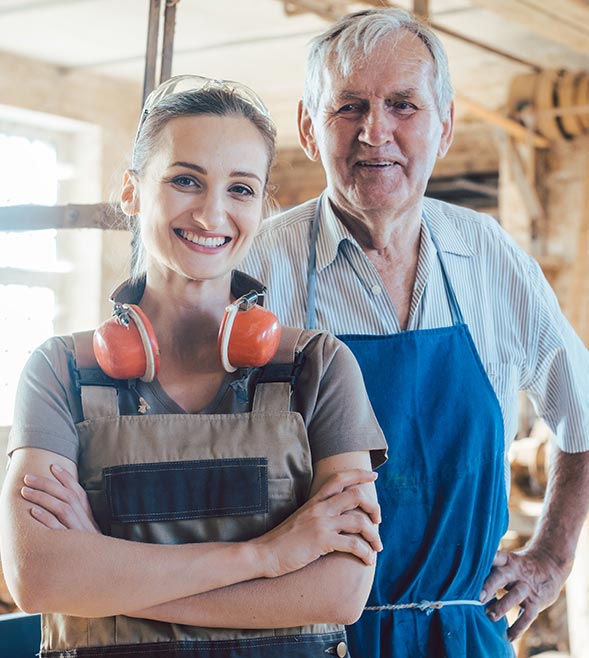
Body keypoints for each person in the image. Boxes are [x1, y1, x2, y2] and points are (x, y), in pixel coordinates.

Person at [241, 8, 589, 658]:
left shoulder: (487, 256)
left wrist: (551, 557)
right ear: (308, 129)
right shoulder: (255, 268)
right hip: (300, 639)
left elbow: (585, 412)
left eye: (403, 105)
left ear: (445, 125)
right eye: (349, 107)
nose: (376, 131)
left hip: (460, 636)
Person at [0, 75, 388, 658]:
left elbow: (338, 591)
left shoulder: (318, 367)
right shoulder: (61, 371)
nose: (212, 213)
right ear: (132, 192)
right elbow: (39, 578)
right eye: (185, 180)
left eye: (240, 188)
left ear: (261, 204)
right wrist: (267, 556)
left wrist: (105, 581)